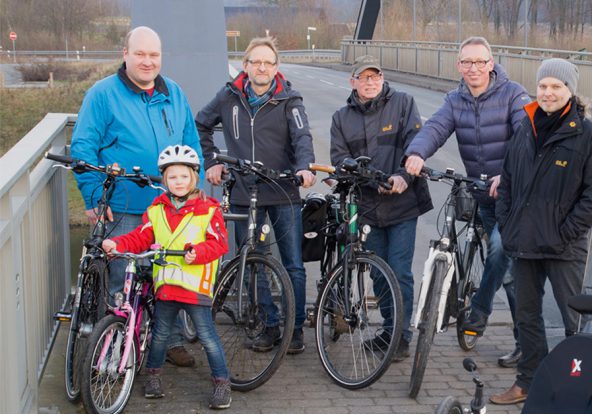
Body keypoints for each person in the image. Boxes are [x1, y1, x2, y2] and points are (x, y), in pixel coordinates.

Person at [71, 26, 202, 369]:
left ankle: (167, 341)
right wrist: (93, 196)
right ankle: (114, 348)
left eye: (154, 55)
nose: (148, 61)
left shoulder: (174, 93)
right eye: (140, 54)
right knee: (121, 281)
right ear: (125, 54)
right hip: (123, 207)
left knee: (169, 278)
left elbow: (191, 144)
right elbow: (83, 148)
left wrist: (192, 187)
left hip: (170, 208)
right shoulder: (102, 95)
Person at [492, 58, 592, 404]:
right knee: (527, 319)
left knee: (575, 323)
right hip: (524, 242)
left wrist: (566, 232)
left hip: (565, 246)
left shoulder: (590, 137)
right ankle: (528, 382)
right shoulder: (525, 128)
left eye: (556, 87)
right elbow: (508, 181)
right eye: (543, 86)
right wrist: (508, 223)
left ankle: (585, 390)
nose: (547, 93)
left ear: (570, 91)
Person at [404, 36, 530, 368]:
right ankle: (514, 336)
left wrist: (510, 174)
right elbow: (435, 127)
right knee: (506, 272)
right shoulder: (455, 99)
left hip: (515, 197)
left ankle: (483, 312)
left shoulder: (513, 94)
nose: (473, 68)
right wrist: (417, 153)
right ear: (459, 66)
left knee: (503, 252)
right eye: (466, 62)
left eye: (479, 62)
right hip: (482, 194)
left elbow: (526, 136)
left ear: (491, 64)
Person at [196, 36, 316, 354]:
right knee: (253, 262)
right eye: (256, 61)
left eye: (268, 62)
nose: (262, 67)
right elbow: (201, 125)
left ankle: (296, 328)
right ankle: (268, 324)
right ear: (246, 65)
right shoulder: (228, 95)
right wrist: (211, 162)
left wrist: (304, 168)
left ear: (276, 68)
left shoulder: (290, 99)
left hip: (283, 190)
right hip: (244, 191)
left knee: (292, 264)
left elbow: (303, 136)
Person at [101, 146, 232, 409]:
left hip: (195, 289)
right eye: (172, 177)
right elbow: (141, 237)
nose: (178, 182)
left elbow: (219, 244)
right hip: (167, 288)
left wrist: (198, 252)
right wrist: (116, 244)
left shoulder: (209, 209)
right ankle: (153, 378)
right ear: (165, 180)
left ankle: (222, 382)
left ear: (194, 178)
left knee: (207, 337)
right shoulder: (157, 209)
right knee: (160, 336)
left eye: (184, 176)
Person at [330, 55, 432, 359]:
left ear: (383, 78)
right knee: (377, 272)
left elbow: (416, 143)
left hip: (403, 203)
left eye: (375, 77)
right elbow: (338, 158)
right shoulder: (340, 118)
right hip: (367, 206)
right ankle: (389, 328)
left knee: (399, 271)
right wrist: (355, 175)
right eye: (364, 78)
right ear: (353, 83)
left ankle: (400, 336)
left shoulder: (403, 103)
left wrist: (403, 177)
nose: (370, 82)